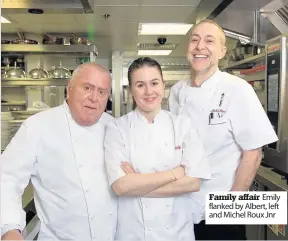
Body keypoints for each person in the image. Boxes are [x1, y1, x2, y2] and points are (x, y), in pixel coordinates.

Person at [168, 19, 278, 240]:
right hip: (181, 209)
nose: (200, 46)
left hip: (220, 212)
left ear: (221, 51)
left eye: (209, 41)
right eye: (194, 40)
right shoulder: (177, 91)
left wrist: (231, 210)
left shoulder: (237, 89)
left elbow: (253, 154)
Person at [0, 63, 117, 241]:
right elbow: (7, 178)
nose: (94, 98)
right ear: (69, 89)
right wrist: (10, 228)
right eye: (87, 88)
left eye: (102, 92)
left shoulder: (115, 127)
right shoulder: (38, 126)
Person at [104, 57, 211, 241]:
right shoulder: (117, 128)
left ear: (163, 85)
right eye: (140, 85)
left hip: (177, 232)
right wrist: (175, 173)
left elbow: (193, 183)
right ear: (131, 91)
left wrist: (136, 183)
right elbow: (121, 186)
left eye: (154, 83)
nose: (148, 92)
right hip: (134, 232)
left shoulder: (183, 126)